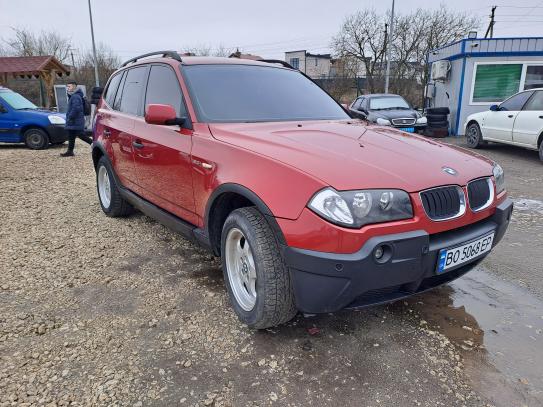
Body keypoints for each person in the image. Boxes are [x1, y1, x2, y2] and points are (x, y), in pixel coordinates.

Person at [60, 81, 92, 157]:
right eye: (67, 87)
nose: (67, 88)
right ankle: (70, 151)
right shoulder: (73, 96)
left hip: (75, 120)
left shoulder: (75, 96)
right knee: (71, 136)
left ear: (74, 87)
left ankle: (94, 144)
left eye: (69, 86)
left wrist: (70, 117)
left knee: (81, 135)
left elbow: (76, 108)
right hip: (74, 120)